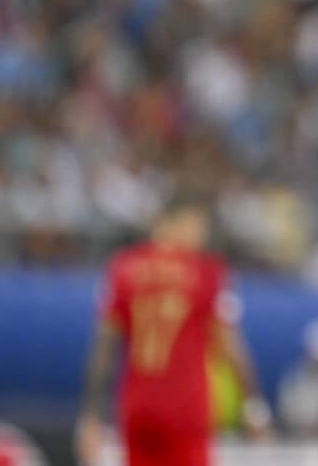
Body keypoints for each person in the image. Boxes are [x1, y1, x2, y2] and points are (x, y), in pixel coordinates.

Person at [75, 195, 271, 466]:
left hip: (136, 406)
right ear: (181, 222)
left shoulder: (122, 268)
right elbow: (230, 347)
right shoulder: (206, 272)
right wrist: (254, 406)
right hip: (185, 407)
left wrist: (91, 415)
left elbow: (103, 348)